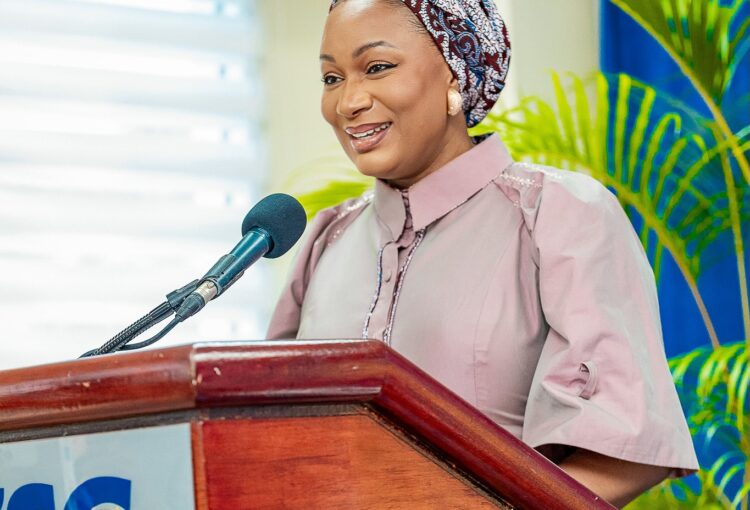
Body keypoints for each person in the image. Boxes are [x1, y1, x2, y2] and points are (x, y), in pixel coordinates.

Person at [267, 0, 699, 506]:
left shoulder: (557, 215)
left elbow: (624, 451)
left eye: (377, 67)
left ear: (455, 72)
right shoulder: (327, 238)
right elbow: (272, 433)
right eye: (332, 78)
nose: (348, 102)